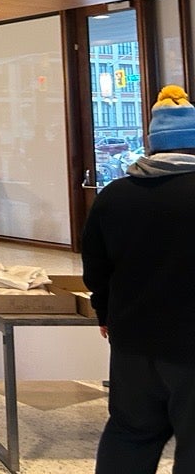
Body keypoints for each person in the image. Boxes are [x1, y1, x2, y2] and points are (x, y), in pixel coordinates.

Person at [82, 84, 195, 474]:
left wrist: (104, 312)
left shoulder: (114, 196)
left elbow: (95, 265)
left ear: (153, 145)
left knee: (130, 434)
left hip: (132, 342)